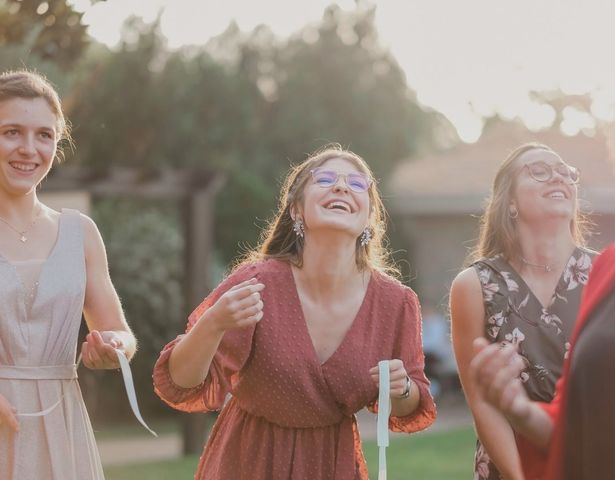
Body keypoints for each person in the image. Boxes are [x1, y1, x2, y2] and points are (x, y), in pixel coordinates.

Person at [153, 145, 436, 479]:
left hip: (331, 464)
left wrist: (401, 388)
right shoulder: (256, 282)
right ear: (296, 210)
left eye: (357, 183)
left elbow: (410, 408)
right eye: (326, 179)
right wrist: (212, 324)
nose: (342, 186)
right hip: (247, 461)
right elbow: (181, 383)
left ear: (369, 217)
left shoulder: (396, 303)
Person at [470, 68, 615, 480]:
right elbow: (572, 425)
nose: (560, 178)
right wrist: (517, 408)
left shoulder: (592, 264)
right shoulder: (614, 268)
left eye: (566, 171)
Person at [0, 70, 137, 479]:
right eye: (11, 132)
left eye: (44, 135)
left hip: (60, 430)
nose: (28, 148)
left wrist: (113, 347)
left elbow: (120, 332)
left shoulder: (80, 233)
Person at [449, 143, 595, 480]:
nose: (558, 177)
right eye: (540, 171)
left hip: (595, 457)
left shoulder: (610, 274)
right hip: (510, 466)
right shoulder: (475, 285)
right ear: (510, 202)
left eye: (565, 172)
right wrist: (522, 476)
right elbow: (482, 403)